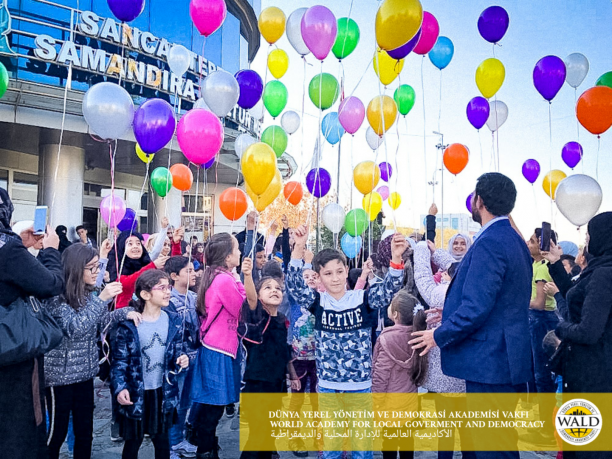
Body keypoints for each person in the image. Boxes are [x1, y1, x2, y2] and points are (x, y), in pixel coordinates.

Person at [410, 173, 533, 459]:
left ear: (479, 201)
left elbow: (476, 307)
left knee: (493, 448)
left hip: (490, 362)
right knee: (498, 442)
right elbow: (499, 301)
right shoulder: (511, 238)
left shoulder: (490, 241)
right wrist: (449, 311)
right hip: (503, 357)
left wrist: (437, 335)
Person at [286, 225, 408, 459]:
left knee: (362, 450)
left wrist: (395, 259)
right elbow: (295, 287)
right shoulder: (318, 302)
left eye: (339, 271)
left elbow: (388, 291)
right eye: (328, 273)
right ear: (319, 276)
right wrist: (298, 248)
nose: (335, 278)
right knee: (331, 448)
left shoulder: (362, 298)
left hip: (359, 387)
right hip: (328, 387)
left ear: (346, 270)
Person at [44, 243, 140, 459]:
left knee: (85, 433)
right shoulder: (56, 297)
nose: (98, 272)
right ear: (77, 268)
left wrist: (124, 312)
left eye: (98, 267)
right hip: (59, 378)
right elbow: (76, 328)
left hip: (85, 375)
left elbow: (97, 322)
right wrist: (102, 298)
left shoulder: (88, 294)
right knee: (55, 434)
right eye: (93, 268)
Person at [0, 188, 64, 459]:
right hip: (12, 355)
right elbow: (50, 284)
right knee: (20, 427)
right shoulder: (6, 247)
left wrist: (18, 243)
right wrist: (50, 251)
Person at [111, 270, 190, 459]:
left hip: (162, 392)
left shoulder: (174, 320)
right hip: (136, 392)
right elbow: (119, 361)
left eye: (168, 287)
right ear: (145, 294)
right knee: (133, 441)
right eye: (161, 288)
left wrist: (183, 359)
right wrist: (120, 387)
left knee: (162, 440)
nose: (168, 292)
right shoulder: (129, 325)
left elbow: (180, 350)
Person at [413, 240, 474, 459]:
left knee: (445, 432)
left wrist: (422, 248)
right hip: (467, 379)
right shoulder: (473, 295)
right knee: (468, 431)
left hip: (445, 376)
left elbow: (422, 278)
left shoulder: (444, 295)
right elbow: (462, 269)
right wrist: (438, 252)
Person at [543, 212, 612, 398]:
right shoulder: (600, 269)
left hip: (595, 375)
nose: (587, 243)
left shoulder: (603, 274)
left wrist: (561, 328)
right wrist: (556, 262)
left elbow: (587, 332)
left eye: (588, 236)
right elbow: (577, 299)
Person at [190, 233, 246, 459]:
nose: (240, 253)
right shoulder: (224, 280)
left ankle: (206, 445)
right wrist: (242, 279)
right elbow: (242, 310)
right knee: (214, 405)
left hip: (216, 345)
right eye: (236, 249)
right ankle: (205, 450)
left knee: (212, 404)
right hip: (218, 348)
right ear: (226, 256)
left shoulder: (218, 275)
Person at [239, 270, 300, 459]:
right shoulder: (257, 316)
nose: (275, 291)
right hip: (257, 384)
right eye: (267, 288)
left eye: (278, 288)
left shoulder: (281, 319)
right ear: (258, 295)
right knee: (258, 435)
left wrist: (293, 375)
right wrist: (248, 275)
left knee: (269, 434)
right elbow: (250, 299)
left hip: (277, 383)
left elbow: (285, 352)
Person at [372, 290, 427, 459]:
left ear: (394, 314)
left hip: (389, 403)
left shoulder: (386, 339)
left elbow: (381, 374)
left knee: (388, 442)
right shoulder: (419, 335)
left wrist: (376, 400)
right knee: (407, 441)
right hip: (409, 400)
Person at [526, 228, 559, 443]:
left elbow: (538, 304)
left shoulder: (541, 269)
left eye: (531, 241)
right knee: (541, 374)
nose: (527, 244)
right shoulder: (538, 264)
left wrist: (516, 300)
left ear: (541, 245)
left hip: (542, 320)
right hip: (543, 320)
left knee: (542, 375)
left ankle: (546, 429)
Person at [165, 256, 199, 459]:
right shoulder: (168, 300)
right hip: (178, 359)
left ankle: (180, 440)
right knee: (175, 401)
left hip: (195, 356)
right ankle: (172, 443)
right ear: (174, 276)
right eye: (188, 271)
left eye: (193, 270)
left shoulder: (194, 298)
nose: (193, 274)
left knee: (187, 399)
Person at [107, 230, 176, 308]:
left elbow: (176, 269)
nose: (135, 246)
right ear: (122, 247)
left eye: (138, 243)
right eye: (130, 244)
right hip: (126, 314)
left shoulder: (147, 263)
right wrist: (152, 266)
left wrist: (176, 244)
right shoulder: (116, 266)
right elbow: (125, 283)